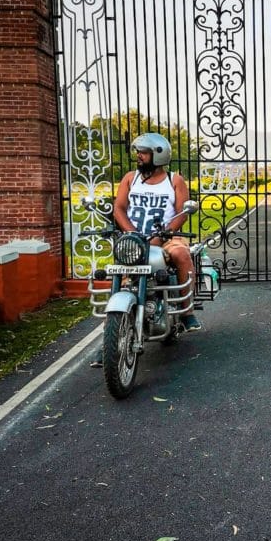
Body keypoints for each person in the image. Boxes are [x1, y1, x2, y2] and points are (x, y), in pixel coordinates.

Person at [90, 132, 200, 367]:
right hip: (135, 239)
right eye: (139, 152)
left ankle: (187, 311)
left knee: (181, 254)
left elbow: (182, 213)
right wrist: (132, 233)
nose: (138, 156)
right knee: (121, 270)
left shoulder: (174, 181)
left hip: (167, 236)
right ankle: (108, 340)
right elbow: (119, 208)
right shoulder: (130, 178)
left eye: (143, 153)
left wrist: (163, 235)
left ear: (158, 155)